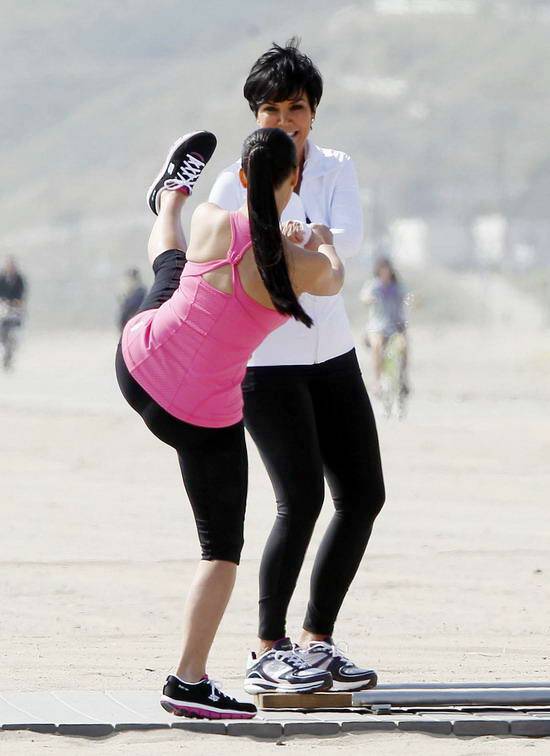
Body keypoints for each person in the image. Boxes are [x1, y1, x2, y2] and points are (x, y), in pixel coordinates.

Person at [116, 128, 345, 718]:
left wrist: (272, 233)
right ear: (294, 181)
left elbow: (233, 248)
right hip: (198, 417)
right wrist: (319, 240)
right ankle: (187, 681)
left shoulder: (213, 220)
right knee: (220, 550)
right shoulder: (299, 267)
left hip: (138, 366)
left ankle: (169, 195)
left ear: (242, 178)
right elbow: (335, 278)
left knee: (171, 267)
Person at [209, 39, 385, 693]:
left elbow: (351, 238)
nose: (285, 122)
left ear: (313, 111)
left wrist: (307, 237)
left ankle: (317, 642)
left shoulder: (337, 166)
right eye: (272, 111)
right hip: (266, 364)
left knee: (363, 496)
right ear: (255, 115)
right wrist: (314, 241)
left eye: (297, 109)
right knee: (301, 499)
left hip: (332, 354)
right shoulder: (235, 179)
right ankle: (267, 647)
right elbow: (237, 254)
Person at [360, 257, 409, 396]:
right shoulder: (374, 285)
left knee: (404, 346)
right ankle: (377, 381)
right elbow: (364, 296)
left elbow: (408, 296)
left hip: (395, 326)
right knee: (377, 346)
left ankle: (403, 379)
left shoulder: (397, 286)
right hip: (377, 327)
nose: (385, 273)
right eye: (382, 270)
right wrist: (369, 299)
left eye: (387, 270)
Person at [0, 256, 26, 371]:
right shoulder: (2, 278)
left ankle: (9, 355)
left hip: (15, 310)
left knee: (13, 333)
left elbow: (21, 293)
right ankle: (8, 351)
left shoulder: (19, 279)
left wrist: (16, 302)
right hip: (3, 309)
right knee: (3, 335)